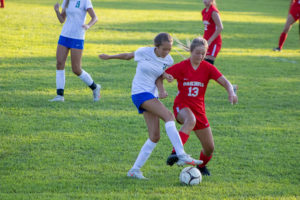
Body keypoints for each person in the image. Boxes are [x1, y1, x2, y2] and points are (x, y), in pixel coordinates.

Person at [98, 33, 202, 180]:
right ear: (156, 46)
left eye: (169, 49)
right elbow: (128, 56)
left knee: (154, 136)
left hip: (151, 95)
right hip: (140, 93)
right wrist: (109, 56)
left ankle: (134, 170)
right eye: (164, 49)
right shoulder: (144, 52)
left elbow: (159, 77)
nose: (166, 52)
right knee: (169, 116)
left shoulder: (169, 60)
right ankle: (181, 154)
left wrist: (165, 79)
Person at [159, 37, 238, 176]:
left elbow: (226, 82)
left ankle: (201, 167)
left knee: (209, 148)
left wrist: (231, 92)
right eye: (197, 53)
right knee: (190, 120)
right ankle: (175, 152)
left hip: (199, 110)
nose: (200, 56)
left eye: (203, 54)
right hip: (181, 106)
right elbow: (160, 75)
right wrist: (162, 89)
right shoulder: (182, 66)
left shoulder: (207, 68)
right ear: (191, 51)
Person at [50, 0, 101, 102]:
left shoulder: (85, 1)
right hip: (65, 35)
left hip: (77, 37)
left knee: (76, 69)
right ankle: (60, 96)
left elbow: (95, 18)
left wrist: (88, 25)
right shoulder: (67, 0)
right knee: (59, 63)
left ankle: (95, 87)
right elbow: (62, 20)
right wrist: (56, 11)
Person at [202, 0, 223, 65]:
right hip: (206, 41)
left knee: (208, 63)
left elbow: (220, 27)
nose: (205, 1)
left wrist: (210, 41)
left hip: (214, 42)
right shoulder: (204, 11)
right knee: (203, 63)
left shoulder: (213, 12)